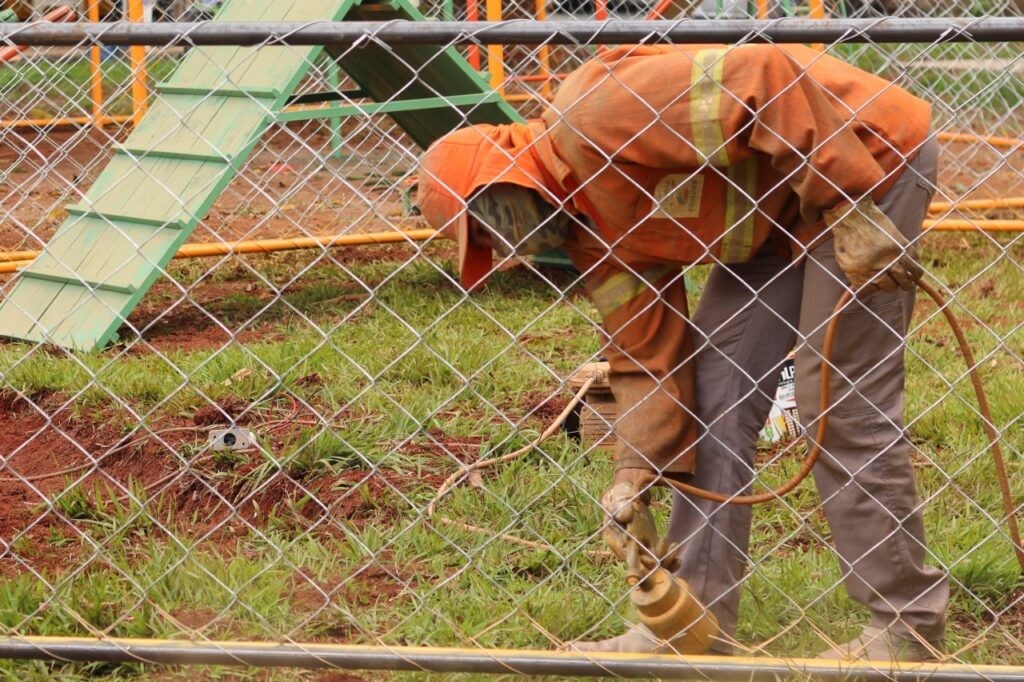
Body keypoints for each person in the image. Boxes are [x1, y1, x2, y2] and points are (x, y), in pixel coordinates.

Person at [416, 42, 947, 661]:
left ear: (501, 171)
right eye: (487, 243)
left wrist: (847, 198)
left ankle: (905, 625)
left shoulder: (599, 110)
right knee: (712, 396)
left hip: (861, 160)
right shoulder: (590, 235)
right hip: (778, 214)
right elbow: (648, 358)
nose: (506, 245)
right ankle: (692, 627)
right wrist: (634, 475)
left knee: (835, 396)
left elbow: (766, 75)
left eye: (487, 225)